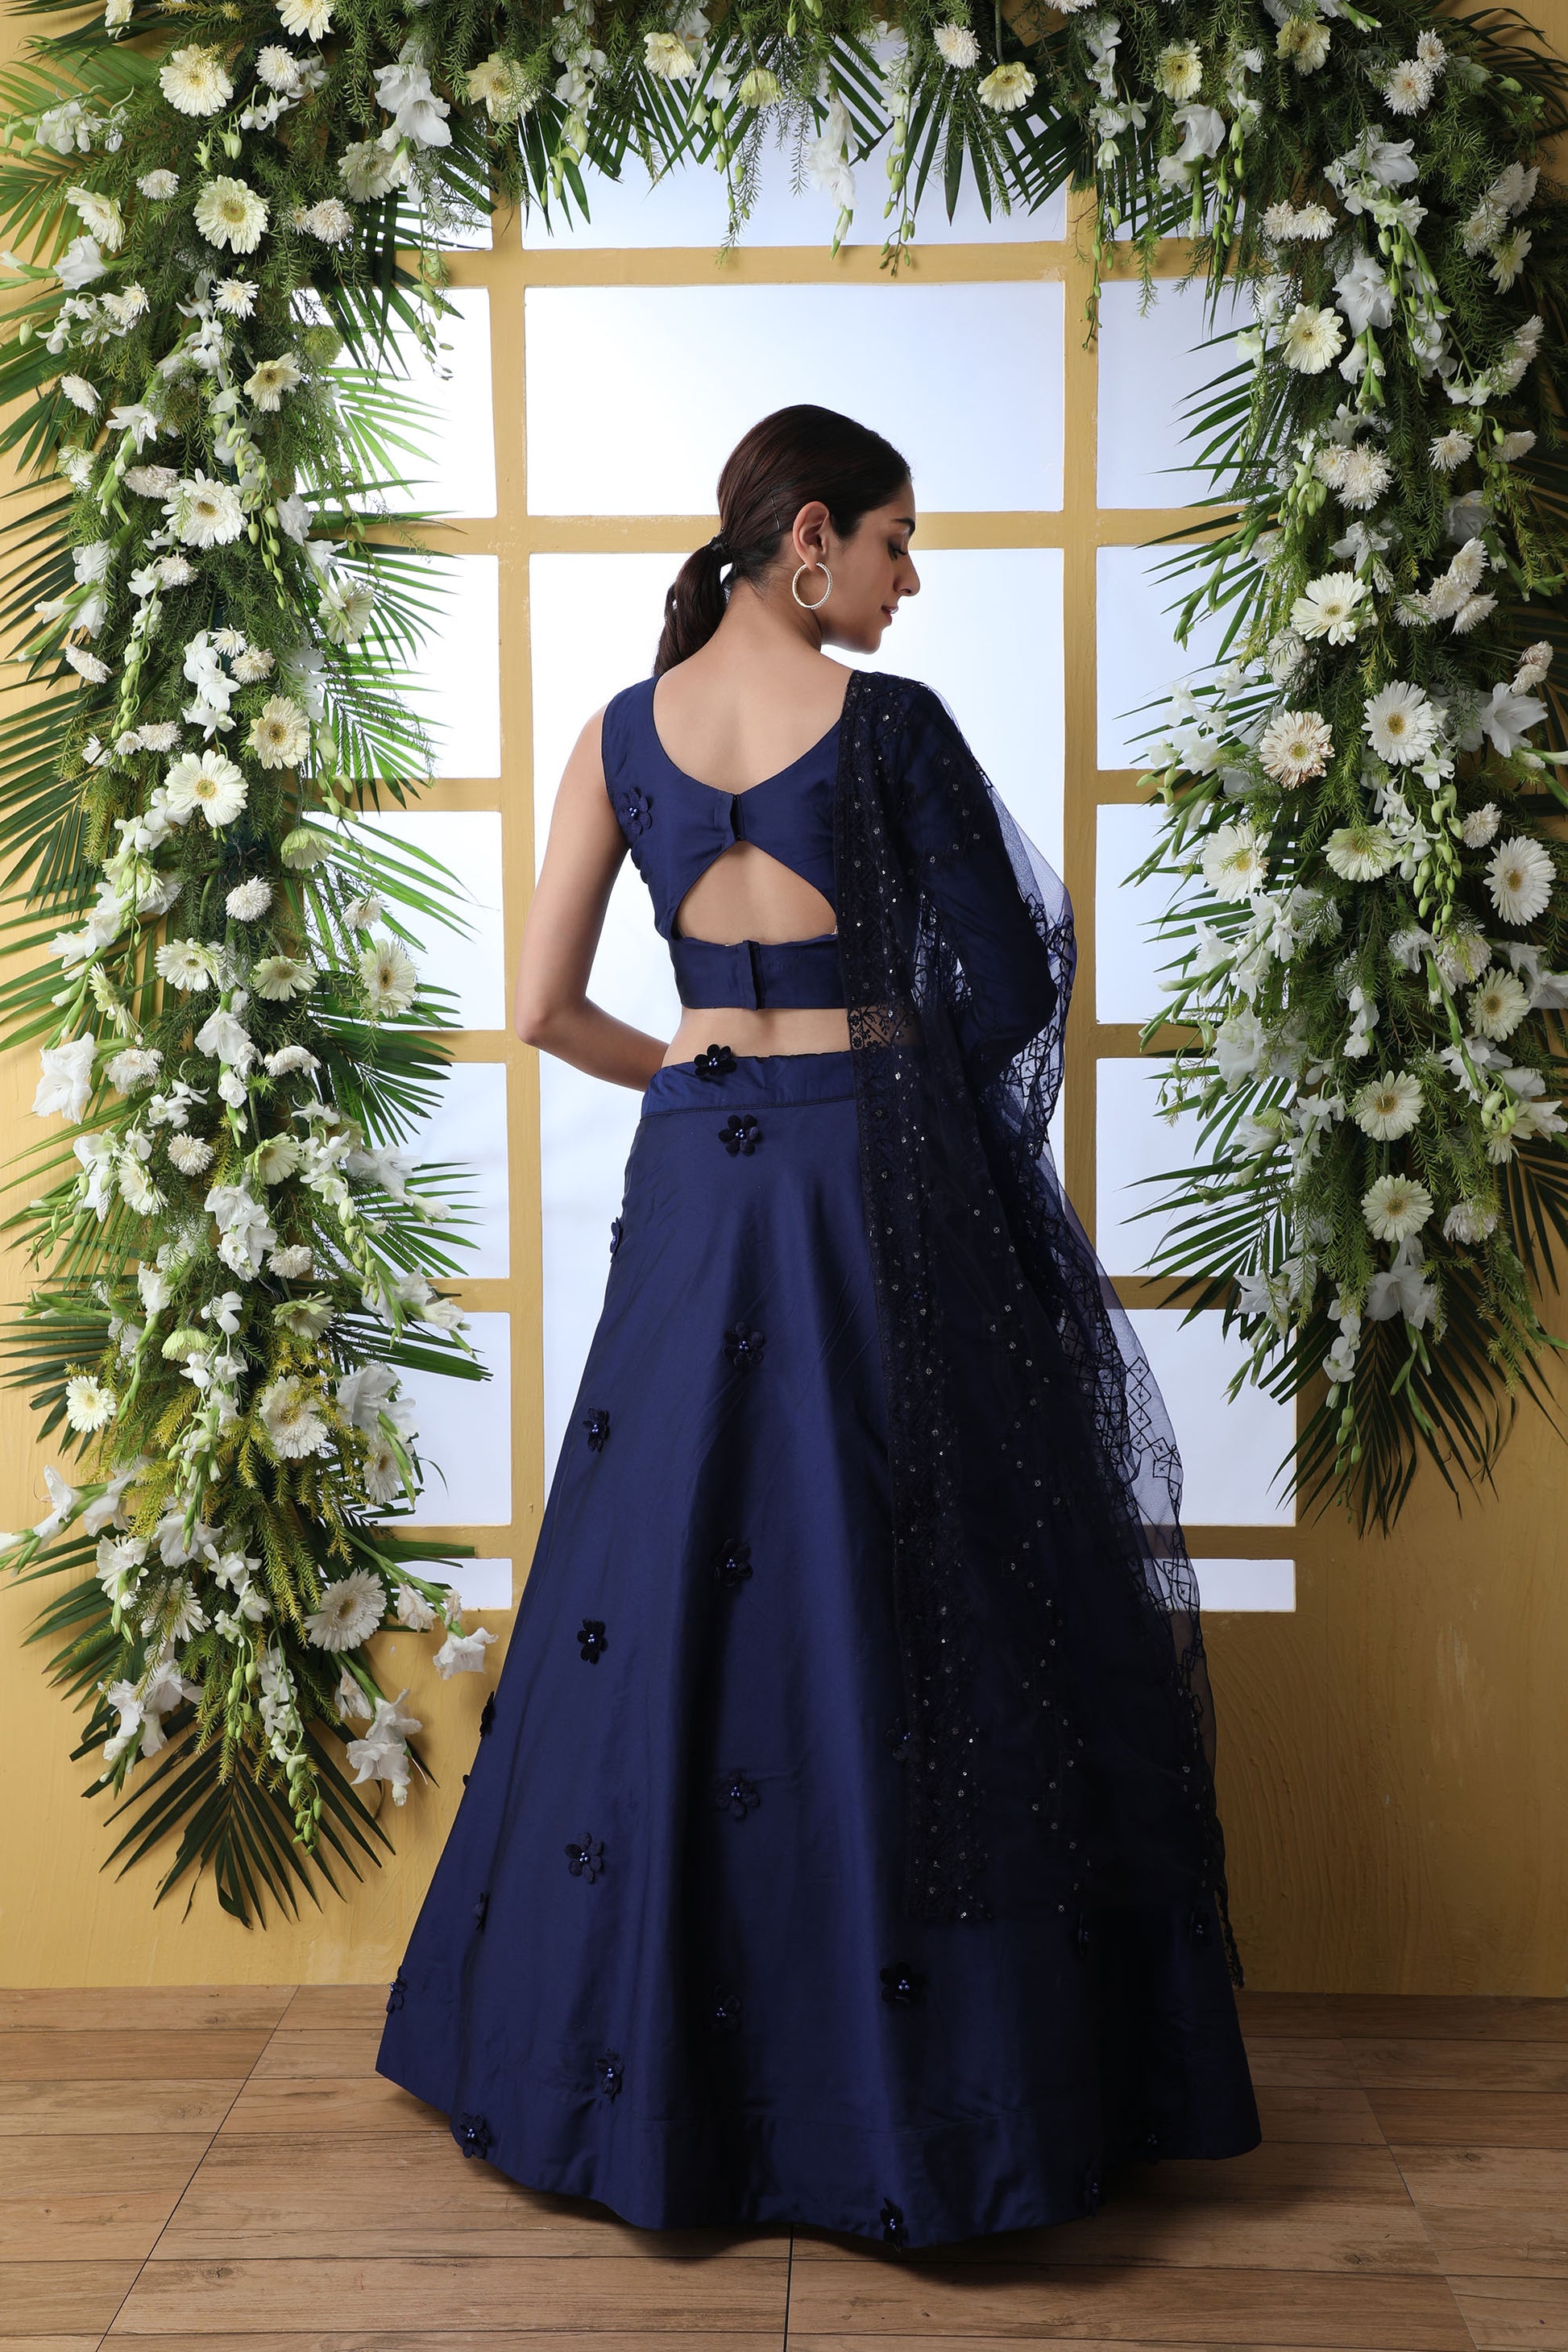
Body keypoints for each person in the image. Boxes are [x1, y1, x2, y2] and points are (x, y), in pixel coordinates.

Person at [375, 401, 1262, 2249]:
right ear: (807, 542)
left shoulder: (618, 734)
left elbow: (539, 1007)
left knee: (669, 1558)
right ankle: (933, 2099)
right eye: (891, 540)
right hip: (868, 1178)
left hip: (700, 1181)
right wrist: (879, 1062)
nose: (906, 577)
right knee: (904, 1573)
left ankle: (627, 2075)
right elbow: (1012, 980)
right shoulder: (892, 731)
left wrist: (697, 1063)